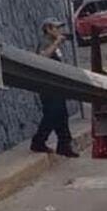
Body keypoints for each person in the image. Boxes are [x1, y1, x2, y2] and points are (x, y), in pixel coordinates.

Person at [30, 18, 79, 157]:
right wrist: (56, 43)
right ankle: (38, 141)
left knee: (62, 114)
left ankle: (64, 145)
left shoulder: (52, 42)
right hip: (47, 86)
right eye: (56, 28)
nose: (60, 30)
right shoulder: (45, 42)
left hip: (56, 84)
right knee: (52, 114)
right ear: (48, 29)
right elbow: (41, 58)